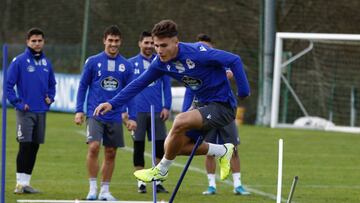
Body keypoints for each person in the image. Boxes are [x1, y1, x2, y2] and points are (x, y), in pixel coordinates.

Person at [93, 19, 250, 185]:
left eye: (164, 45)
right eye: (156, 45)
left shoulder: (198, 52)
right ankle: (222, 150)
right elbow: (138, 83)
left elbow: (234, 60)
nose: (159, 50)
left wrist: (243, 91)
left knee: (180, 120)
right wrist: (112, 103)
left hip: (222, 106)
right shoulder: (160, 63)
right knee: (172, 147)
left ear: (176, 42)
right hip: (201, 105)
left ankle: (161, 170)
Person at [182, 34, 250, 196]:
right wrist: (186, 111)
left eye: (206, 47)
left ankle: (238, 184)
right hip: (205, 112)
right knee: (208, 148)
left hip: (223, 110)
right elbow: (189, 92)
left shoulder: (217, 62)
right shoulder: (191, 68)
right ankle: (211, 185)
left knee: (233, 148)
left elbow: (231, 71)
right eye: (200, 47)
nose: (203, 50)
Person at [74, 25, 137, 201]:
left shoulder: (127, 65)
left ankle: (105, 191)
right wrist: (79, 110)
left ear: (121, 42)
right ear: (104, 40)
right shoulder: (93, 62)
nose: (113, 44)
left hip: (115, 116)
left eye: (116, 41)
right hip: (95, 114)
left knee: (111, 152)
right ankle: (92, 188)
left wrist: (131, 116)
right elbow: (82, 86)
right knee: (94, 147)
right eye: (110, 40)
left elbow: (131, 92)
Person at [6, 28, 56, 194]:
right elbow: (8, 86)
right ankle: (19, 183)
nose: (37, 43)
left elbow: (52, 84)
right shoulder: (19, 61)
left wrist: (50, 97)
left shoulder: (47, 63)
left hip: (41, 112)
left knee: (34, 146)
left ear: (44, 42)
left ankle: (26, 183)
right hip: (25, 112)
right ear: (27, 42)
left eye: (39, 40)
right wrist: (18, 103)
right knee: (25, 145)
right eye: (33, 41)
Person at [127, 31, 172, 194]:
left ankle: (158, 180)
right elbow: (126, 88)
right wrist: (126, 111)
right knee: (138, 147)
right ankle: (141, 182)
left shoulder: (161, 62)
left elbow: (166, 86)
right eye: (145, 43)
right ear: (139, 43)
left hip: (157, 112)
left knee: (160, 147)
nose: (148, 46)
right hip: (137, 112)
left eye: (151, 43)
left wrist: (167, 106)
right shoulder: (130, 64)